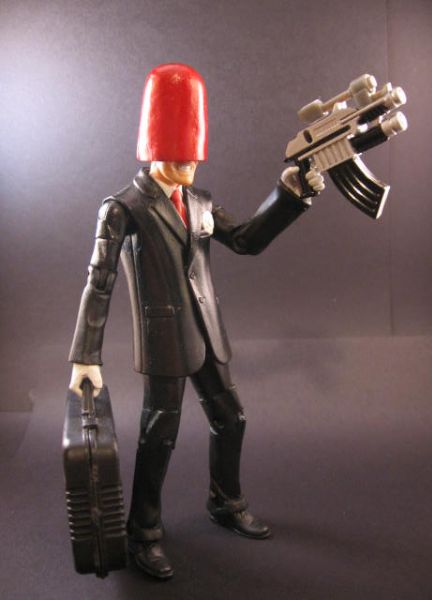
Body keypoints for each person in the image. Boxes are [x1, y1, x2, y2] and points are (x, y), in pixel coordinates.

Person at [68, 63, 324, 579]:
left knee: (232, 417)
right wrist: (85, 356)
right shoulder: (124, 208)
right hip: (165, 339)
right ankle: (143, 532)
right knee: (158, 435)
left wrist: (291, 193)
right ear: (153, 146)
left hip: (208, 332)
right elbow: (99, 281)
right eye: (179, 156)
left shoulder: (201, 202)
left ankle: (225, 502)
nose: (189, 165)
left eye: (193, 156)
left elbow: (246, 240)